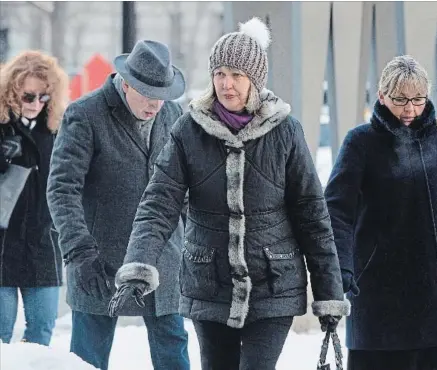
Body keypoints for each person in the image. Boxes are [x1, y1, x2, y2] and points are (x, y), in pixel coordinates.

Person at [108, 18, 350, 370]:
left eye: (236, 74)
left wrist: (329, 294)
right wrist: (137, 267)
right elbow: (158, 204)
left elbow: (312, 216)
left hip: (274, 284)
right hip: (210, 282)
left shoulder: (285, 131)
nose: (226, 83)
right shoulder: (189, 130)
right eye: (219, 73)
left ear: (254, 79)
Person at [46, 40, 190, 370]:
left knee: (173, 350)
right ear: (126, 83)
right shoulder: (85, 114)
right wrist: (79, 252)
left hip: (162, 258)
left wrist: (191, 238)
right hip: (98, 259)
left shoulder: (172, 113)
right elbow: (62, 189)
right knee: (88, 356)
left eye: (162, 95)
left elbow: (183, 187)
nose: (156, 104)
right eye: (148, 95)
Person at [324, 55, 437, 370]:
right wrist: (342, 269)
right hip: (377, 295)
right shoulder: (361, 142)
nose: (410, 110)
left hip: (435, 297)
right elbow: (337, 210)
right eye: (400, 99)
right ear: (381, 96)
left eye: (418, 100)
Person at [0, 51, 69, 345]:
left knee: (42, 331)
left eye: (43, 98)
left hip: (42, 242)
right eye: (29, 97)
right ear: (12, 91)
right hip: (2, 245)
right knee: (1, 334)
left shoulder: (55, 132)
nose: (36, 105)